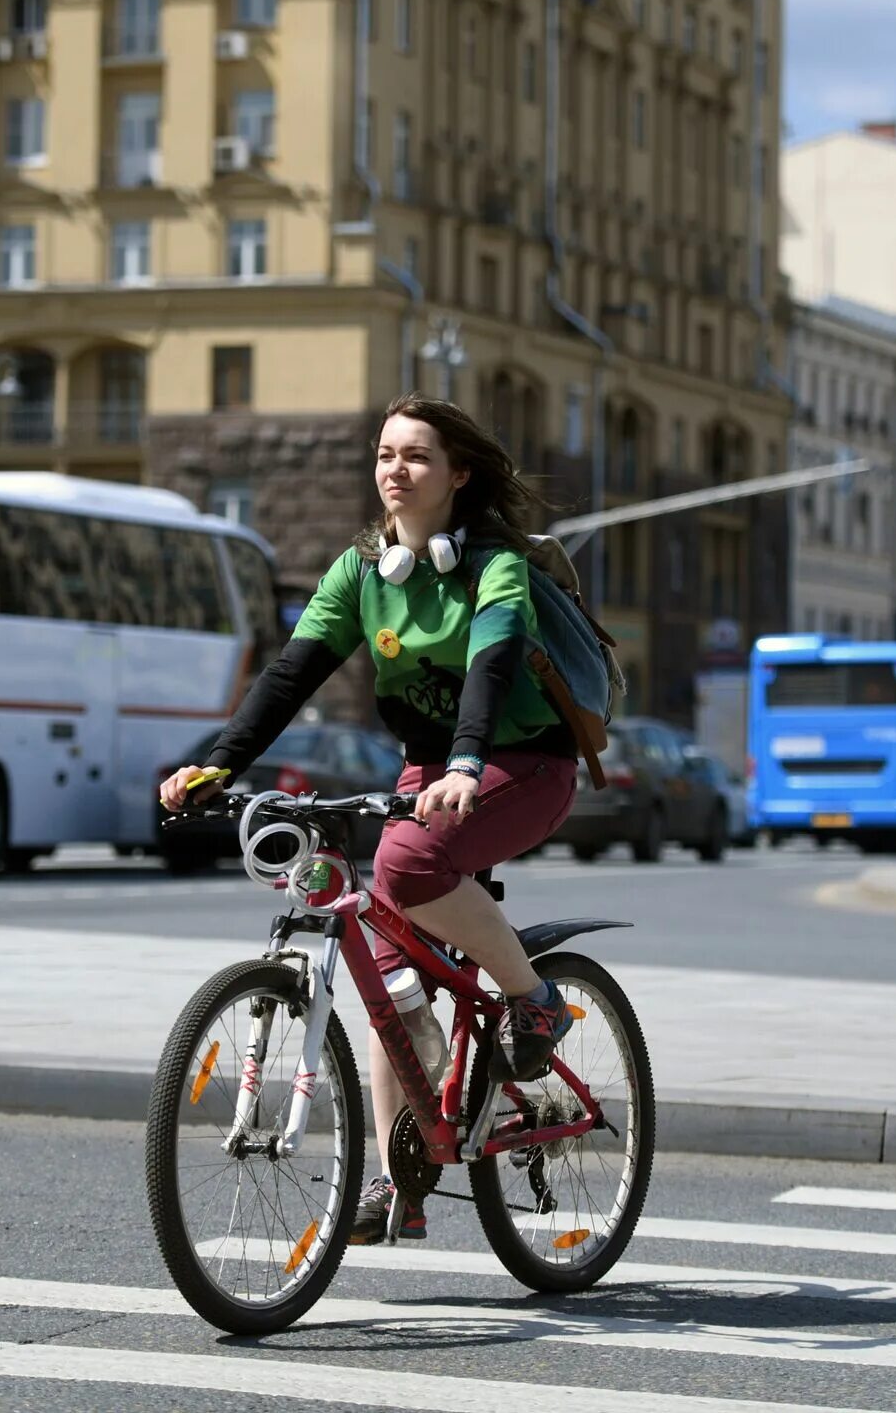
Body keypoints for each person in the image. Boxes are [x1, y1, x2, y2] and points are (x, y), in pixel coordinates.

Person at [159, 392, 580, 1245]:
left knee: (405, 866)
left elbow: (492, 665)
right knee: (389, 985)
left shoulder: (494, 564)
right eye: (386, 454)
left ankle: (535, 1001)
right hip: (432, 771)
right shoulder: (362, 570)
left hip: (522, 762)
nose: (396, 469)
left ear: (458, 474)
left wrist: (465, 763)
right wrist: (219, 763)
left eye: (416, 455)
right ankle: (400, 1179)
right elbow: (290, 674)